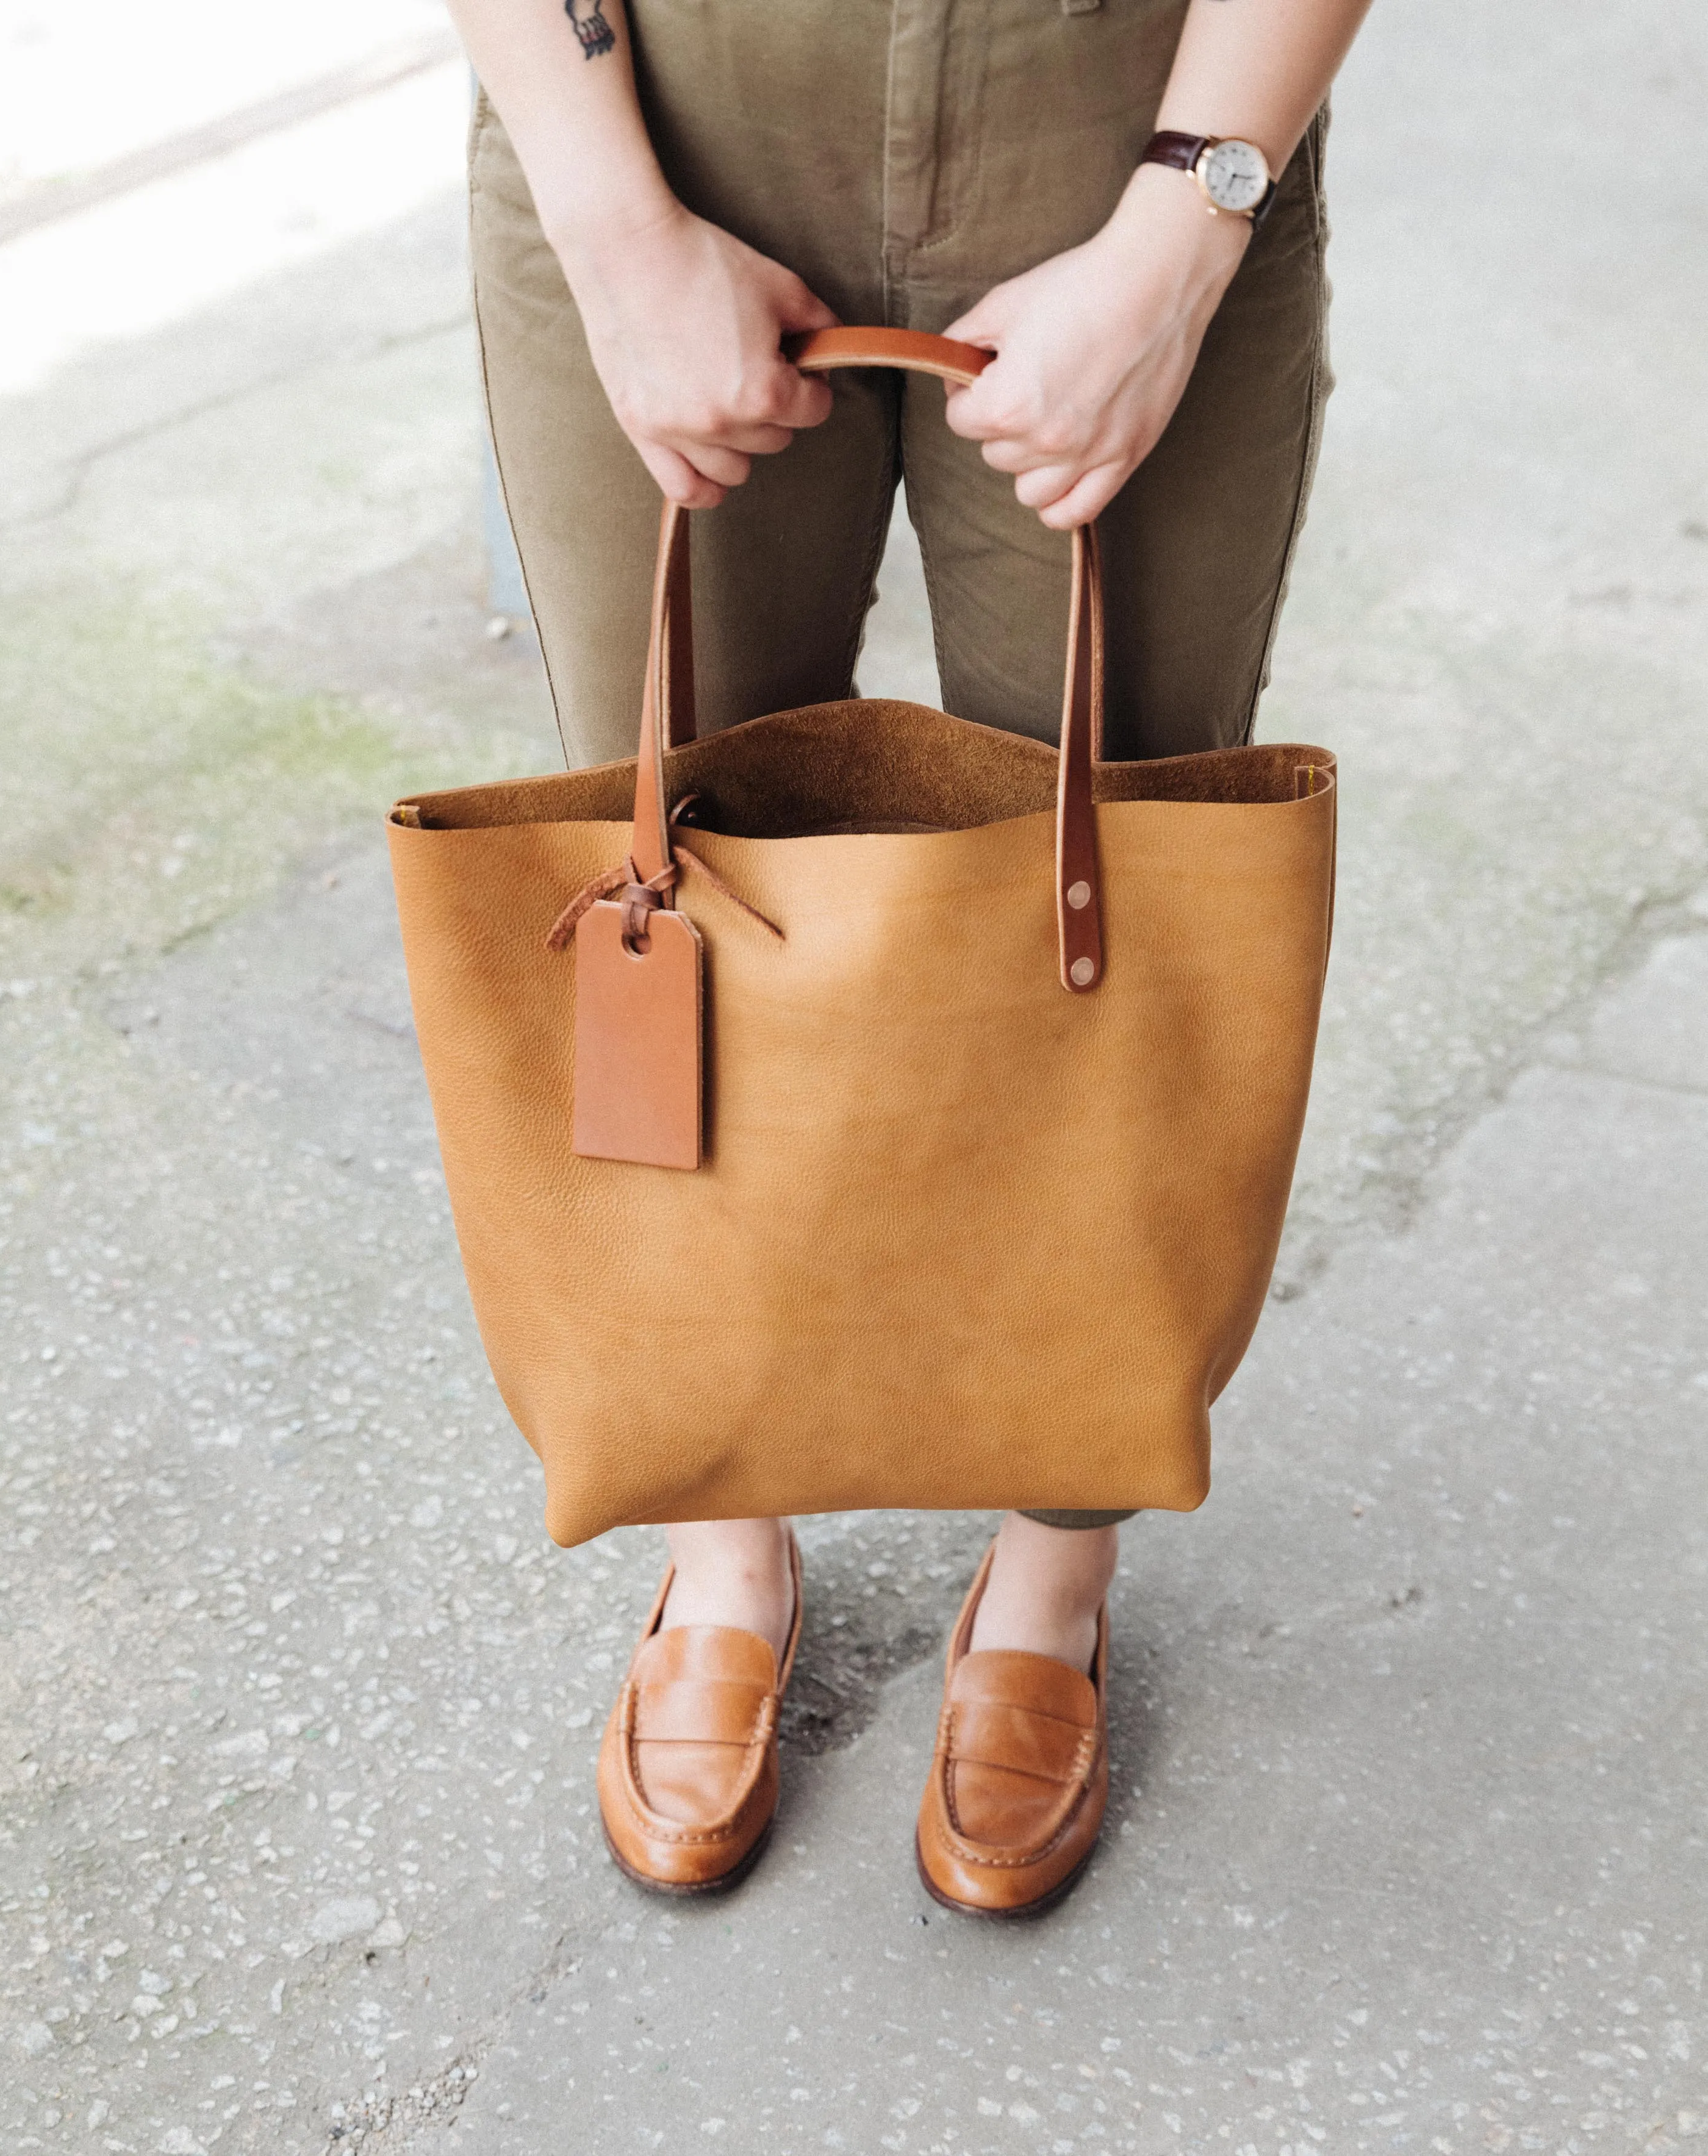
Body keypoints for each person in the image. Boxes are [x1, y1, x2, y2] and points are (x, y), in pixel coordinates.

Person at [443, 0, 1372, 1913]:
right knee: (665, 887)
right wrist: (616, 228)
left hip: (1131, 117)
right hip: (656, 105)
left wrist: (1187, 223)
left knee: (1115, 874)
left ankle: (1056, 1566)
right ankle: (719, 1536)